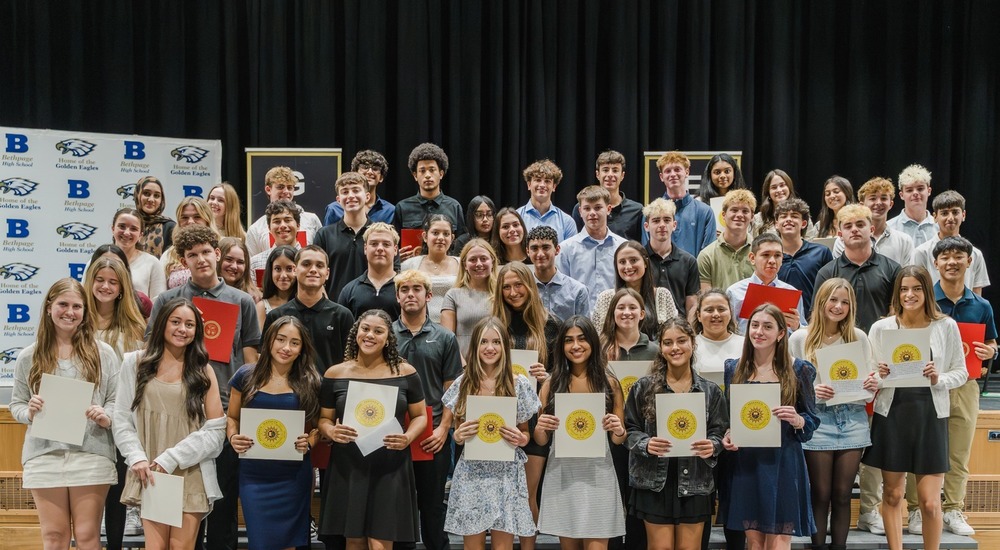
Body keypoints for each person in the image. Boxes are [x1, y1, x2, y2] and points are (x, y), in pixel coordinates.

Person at [147, 225, 261, 550]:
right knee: (179, 508)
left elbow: (251, 357)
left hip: (224, 416)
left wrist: (241, 410)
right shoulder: (168, 301)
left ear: (218, 254)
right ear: (183, 260)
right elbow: (150, 355)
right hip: (177, 416)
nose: (200, 259)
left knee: (223, 505)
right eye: (192, 255)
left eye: (206, 252)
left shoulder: (241, 301)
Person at [10, 278, 120, 550]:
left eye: (77, 306)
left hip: (91, 455)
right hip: (44, 455)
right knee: (54, 537)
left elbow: (119, 402)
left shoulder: (103, 353)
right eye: (63, 304)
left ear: (85, 312)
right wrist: (30, 412)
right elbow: (17, 406)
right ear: (49, 307)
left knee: (86, 536)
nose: (69, 312)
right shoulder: (29, 356)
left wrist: (106, 416)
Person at [865, 266, 968, 550]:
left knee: (931, 502)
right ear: (897, 293)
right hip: (893, 415)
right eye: (904, 289)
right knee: (893, 495)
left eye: (917, 289)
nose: (910, 295)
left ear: (927, 291)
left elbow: (961, 372)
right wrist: (880, 376)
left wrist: (939, 378)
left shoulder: (945, 325)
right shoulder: (881, 327)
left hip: (930, 417)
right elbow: (869, 379)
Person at [114, 297, 226, 549]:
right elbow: (121, 420)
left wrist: (172, 457)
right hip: (152, 473)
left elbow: (216, 432)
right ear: (163, 323)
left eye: (189, 324)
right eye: (176, 322)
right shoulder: (134, 363)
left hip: (189, 471)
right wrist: (136, 457)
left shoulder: (202, 370)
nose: (182, 329)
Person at [318, 310, 428, 548]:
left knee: (381, 543)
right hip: (349, 465)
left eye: (378, 331)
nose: (370, 335)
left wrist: (408, 437)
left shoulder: (405, 372)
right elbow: (324, 419)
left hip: (390, 466)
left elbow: (420, 416)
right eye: (365, 328)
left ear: (388, 338)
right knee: (354, 541)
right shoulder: (334, 374)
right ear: (356, 332)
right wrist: (331, 432)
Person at [914, 236, 998, 537]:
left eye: (958, 256)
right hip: (927, 385)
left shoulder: (982, 305)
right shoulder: (923, 300)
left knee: (959, 453)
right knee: (921, 448)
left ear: (969, 261)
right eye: (945, 257)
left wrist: (992, 352)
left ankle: (953, 509)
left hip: (965, 386)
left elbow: (991, 342)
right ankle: (915, 509)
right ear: (935, 264)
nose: (952, 262)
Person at [719, 304, 820, 550]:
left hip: (783, 462)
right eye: (755, 325)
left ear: (781, 333)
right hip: (746, 463)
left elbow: (811, 419)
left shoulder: (799, 369)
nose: (759, 332)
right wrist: (728, 434)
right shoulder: (734, 368)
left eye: (767, 326)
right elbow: (730, 417)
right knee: (754, 542)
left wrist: (798, 419)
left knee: (778, 542)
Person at [788, 278, 878, 550]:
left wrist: (873, 385)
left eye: (845, 302)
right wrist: (814, 392)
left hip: (852, 420)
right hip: (818, 422)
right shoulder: (800, 338)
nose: (838, 306)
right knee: (820, 494)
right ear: (821, 302)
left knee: (842, 495)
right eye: (833, 300)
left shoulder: (858, 337)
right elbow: (789, 385)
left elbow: (870, 384)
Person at [625, 318, 728, 550]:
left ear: (693, 343)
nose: (675, 348)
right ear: (660, 347)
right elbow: (630, 430)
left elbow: (720, 432)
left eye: (682, 341)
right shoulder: (642, 388)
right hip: (653, 483)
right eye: (668, 342)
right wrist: (646, 444)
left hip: (695, 483)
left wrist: (713, 445)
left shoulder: (711, 391)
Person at [442, 317, 541, 549]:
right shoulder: (463, 383)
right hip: (472, 471)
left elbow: (526, 433)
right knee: (472, 545)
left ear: (504, 347)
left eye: (496, 342)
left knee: (502, 546)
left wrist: (521, 438)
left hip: (506, 473)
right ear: (474, 346)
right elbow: (456, 432)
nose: (490, 348)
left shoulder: (519, 384)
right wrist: (458, 436)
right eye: (484, 342)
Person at [227, 316, 322, 550]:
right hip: (255, 476)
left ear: (302, 349)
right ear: (269, 340)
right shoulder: (245, 375)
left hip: (294, 476)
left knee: (289, 543)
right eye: (281, 339)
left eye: (294, 343)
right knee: (260, 543)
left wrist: (309, 442)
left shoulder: (311, 380)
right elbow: (232, 417)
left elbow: (321, 427)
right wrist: (232, 437)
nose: (286, 348)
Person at [534, 316, 627, 548]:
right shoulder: (550, 384)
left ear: (593, 343)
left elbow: (619, 439)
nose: (575, 346)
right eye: (569, 340)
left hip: (599, 475)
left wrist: (618, 428)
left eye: (582, 339)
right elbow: (541, 439)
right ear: (561, 346)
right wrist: (541, 427)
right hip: (563, 475)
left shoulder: (610, 383)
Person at [392, 270, 464, 550]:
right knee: (398, 507)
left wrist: (445, 428)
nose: (411, 294)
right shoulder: (385, 335)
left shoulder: (445, 338)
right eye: (405, 289)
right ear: (397, 296)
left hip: (432, 434)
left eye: (417, 289)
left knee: (432, 507)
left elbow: (451, 390)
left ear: (428, 296)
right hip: (394, 434)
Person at [492, 262, 560, 548]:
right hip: (500, 419)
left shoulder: (550, 324)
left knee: (528, 494)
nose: (512, 292)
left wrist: (548, 376)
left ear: (529, 286)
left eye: (518, 285)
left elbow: (564, 372)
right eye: (506, 287)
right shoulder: (494, 325)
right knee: (501, 494)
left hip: (535, 418)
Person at [84, 257, 146, 545]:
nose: (105, 286)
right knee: (90, 495)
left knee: (118, 493)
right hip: (86, 419)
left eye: (113, 281)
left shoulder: (134, 326)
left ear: (122, 288)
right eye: (100, 280)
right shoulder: (78, 321)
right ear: (90, 281)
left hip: (121, 418)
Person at [263, 246, 356, 377]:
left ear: (327, 273)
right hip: (287, 392)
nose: (313, 270)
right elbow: (266, 361)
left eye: (319, 265)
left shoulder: (342, 315)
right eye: (306, 264)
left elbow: (351, 362)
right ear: (295, 270)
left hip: (330, 392)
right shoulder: (276, 316)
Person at [557, 185, 628, 310]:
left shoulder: (623, 247)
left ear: (608, 209)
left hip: (615, 319)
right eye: (587, 208)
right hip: (580, 321)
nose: (592, 213)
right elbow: (562, 291)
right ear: (580, 211)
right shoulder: (566, 249)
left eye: (598, 207)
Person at [592, 241, 679, 339]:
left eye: (633, 260)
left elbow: (674, 334)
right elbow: (597, 338)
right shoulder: (605, 298)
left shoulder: (663, 295)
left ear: (645, 263)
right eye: (622, 262)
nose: (628, 267)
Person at [726, 233, 807, 335]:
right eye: (765, 255)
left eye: (777, 255)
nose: (772, 261)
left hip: (781, 349)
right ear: (752, 258)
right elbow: (727, 331)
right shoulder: (734, 292)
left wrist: (797, 326)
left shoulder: (792, 293)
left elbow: (804, 333)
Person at [395, 143, 466, 261]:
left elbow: (461, 243)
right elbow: (394, 243)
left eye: (432, 170)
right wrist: (397, 256)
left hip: (446, 271)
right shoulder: (402, 207)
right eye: (422, 171)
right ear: (415, 176)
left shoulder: (454, 206)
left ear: (441, 174)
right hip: (411, 271)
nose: (427, 175)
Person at [910, 190, 990, 294]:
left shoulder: (976, 254)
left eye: (955, 212)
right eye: (944, 213)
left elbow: (977, 295)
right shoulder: (921, 252)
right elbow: (916, 290)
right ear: (935, 217)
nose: (950, 218)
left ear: (963, 215)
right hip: (933, 309)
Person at [314, 172, 375, 301]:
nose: (351, 196)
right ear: (338, 200)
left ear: (367, 196)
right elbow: (315, 275)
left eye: (356, 190)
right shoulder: (324, 235)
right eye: (345, 192)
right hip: (334, 311)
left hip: (372, 311)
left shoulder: (380, 234)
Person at [831, 177, 914, 267]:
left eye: (883, 198)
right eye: (873, 198)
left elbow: (907, 276)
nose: (878, 203)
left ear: (891, 204)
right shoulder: (844, 241)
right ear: (862, 205)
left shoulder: (904, 240)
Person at [246, 166, 324, 257]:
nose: (286, 191)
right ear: (268, 189)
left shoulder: (311, 220)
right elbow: (252, 264)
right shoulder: (256, 229)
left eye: (290, 187)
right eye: (280, 187)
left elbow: (321, 256)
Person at [775, 198, 833, 318]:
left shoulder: (821, 252)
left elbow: (831, 290)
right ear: (776, 224)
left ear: (804, 224)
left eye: (794, 216)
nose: (789, 219)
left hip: (815, 324)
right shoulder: (771, 257)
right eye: (783, 216)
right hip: (778, 323)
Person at [441, 239, 499, 358]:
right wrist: (463, 367)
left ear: (492, 261)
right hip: (462, 365)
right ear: (464, 265)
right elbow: (447, 339)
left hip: (497, 364)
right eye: (472, 260)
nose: (478, 264)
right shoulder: (453, 295)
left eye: (483, 259)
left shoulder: (502, 293)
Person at [399, 214, 461, 323]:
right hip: (418, 329)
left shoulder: (462, 264)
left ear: (452, 238)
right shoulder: (409, 265)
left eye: (446, 234)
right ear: (425, 236)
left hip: (454, 330)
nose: (441, 238)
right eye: (435, 233)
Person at [643, 198, 699, 316]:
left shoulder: (689, 261)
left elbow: (692, 304)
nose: (662, 225)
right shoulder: (639, 259)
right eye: (656, 220)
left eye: (667, 220)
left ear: (674, 225)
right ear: (646, 226)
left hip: (678, 328)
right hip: (646, 328)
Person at [571, 150, 644, 241]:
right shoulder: (582, 207)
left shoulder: (637, 210)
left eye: (615, 170)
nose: (610, 174)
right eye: (605, 170)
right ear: (597, 174)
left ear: (622, 175)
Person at [525, 226, 590, 322]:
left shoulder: (578, 291)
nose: (540, 254)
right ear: (527, 251)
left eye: (545, 248)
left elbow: (585, 331)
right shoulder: (523, 289)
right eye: (534, 248)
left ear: (557, 249)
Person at [657, 151, 715, 257]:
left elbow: (709, 255)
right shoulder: (652, 212)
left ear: (687, 172)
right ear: (661, 177)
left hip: (695, 273)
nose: (673, 174)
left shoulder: (705, 212)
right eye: (668, 171)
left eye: (677, 169)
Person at [339, 223, 401, 320]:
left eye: (386, 244)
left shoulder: (407, 288)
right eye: (374, 244)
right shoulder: (349, 291)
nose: (380, 248)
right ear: (365, 248)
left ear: (395, 249)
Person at [698, 189, 756, 291]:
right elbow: (706, 300)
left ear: (752, 216)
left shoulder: (760, 253)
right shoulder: (706, 256)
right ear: (723, 215)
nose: (739, 215)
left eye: (745, 211)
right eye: (734, 210)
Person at [323, 149, 396, 226]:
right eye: (365, 167)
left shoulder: (390, 210)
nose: (370, 172)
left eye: (375, 169)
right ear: (355, 173)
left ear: (381, 177)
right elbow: (328, 236)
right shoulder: (335, 209)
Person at [160, 197, 218, 290]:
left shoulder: (222, 246)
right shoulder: (169, 254)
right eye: (185, 218)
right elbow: (161, 292)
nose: (190, 221)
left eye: (197, 217)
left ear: (207, 219)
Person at [691, 288, 742, 387]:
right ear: (699, 315)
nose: (716, 314)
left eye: (721, 309)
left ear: (730, 313)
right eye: (709, 310)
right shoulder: (690, 346)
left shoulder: (746, 344)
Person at [112, 207, 167, 300]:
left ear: (141, 235)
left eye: (133, 229)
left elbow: (158, 304)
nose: (126, 233)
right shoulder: (98, 260)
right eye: (122, 226)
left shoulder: (152, 263)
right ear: (113, 229)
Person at [516, 159, 576, 241]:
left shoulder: (567, 222)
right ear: (529, 185)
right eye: (538, 180)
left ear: (554, 187)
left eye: (547, 181)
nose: (542, 185)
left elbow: (570, 253)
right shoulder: (516, 217)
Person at [249, 200, 304, 287]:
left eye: (287, 220)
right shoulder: (255, 263)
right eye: (277, 221)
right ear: (269, 228)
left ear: (298, 225)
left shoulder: (310, 260)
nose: (282, 225)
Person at [750, 169, 817, 239]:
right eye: (774, 187)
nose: (779, 190)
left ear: (789, 188)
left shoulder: (802, 214)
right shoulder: (758, 219)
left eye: (782, 185)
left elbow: (810, 242)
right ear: (768, 193)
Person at [599, 288, 660, 361]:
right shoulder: (600, 349)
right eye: (621, 308)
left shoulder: (655, 351)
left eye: (632, 308)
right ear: (613, 313)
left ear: (641, 314)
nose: (627, 313)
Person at [887, 164, 937, 247]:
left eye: (920, 189)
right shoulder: (889, 228)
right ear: (901, 195)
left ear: (929, 191)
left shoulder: (940, 227)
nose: (915, 193)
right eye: (909, 190)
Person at [255, 245, 297, 329]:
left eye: (289, 269)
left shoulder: (305, 304)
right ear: (270, 271)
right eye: (277, 269)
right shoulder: (262, 306)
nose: (283, 275)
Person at [134, 175, 176, 258]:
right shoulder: (129, 223)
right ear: (137, 195)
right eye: (146, 193)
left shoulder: (169, 227)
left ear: (161, 200)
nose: (151, 200)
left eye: (156, 196)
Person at [218, 237, 260, 302]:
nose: (234, 266)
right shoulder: (203, 292)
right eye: (229, 259)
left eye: (240, 262)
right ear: (217, 258)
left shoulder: (254, 298)